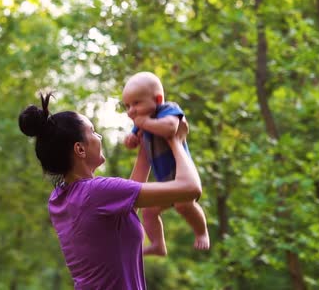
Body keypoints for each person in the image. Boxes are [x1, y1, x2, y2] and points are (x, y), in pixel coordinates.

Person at [19, 92, 201, 289]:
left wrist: (146, 148)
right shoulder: (96, 193)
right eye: (93, 131)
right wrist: (177, 141)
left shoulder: (59, 199)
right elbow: (190, 189)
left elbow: (125, 210)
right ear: (80, 149)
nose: (99, 136)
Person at [122, 71, 210, 254]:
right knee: (149, 211)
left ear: (158, 99)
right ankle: (157, 244)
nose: (131, 111)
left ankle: (201, 232)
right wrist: (131, 139)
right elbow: (134, 139)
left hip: (181, 176)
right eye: (127, 106)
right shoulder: (142, 121)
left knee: (185, 205)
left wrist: (145, 123)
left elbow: (171, 128)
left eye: (136, 103)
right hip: (166, 183)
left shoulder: (168, 110)